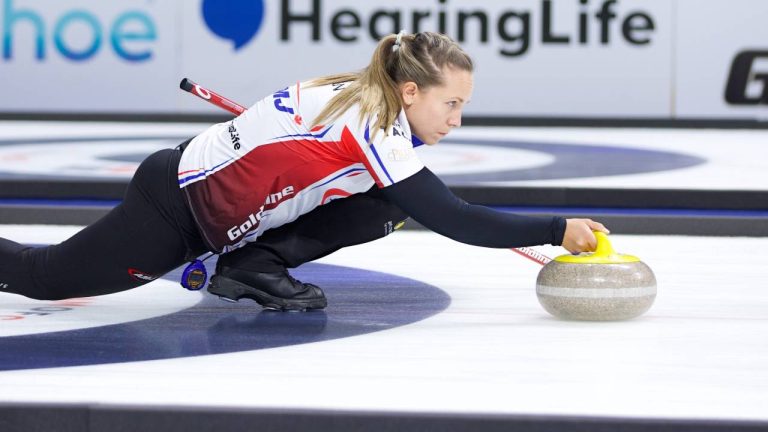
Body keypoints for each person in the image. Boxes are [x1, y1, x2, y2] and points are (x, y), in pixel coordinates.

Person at [0, 31, 607, 310]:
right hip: (176, 207)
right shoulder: (373, 125)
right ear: (412, 91)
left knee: (390, 200)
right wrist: (556, 228)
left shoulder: (371, 102)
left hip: (211, 205)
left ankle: (253, 265)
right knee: (47, 279)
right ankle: (248, 262)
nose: (456, 121)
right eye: (451, 105)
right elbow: (456, 219)